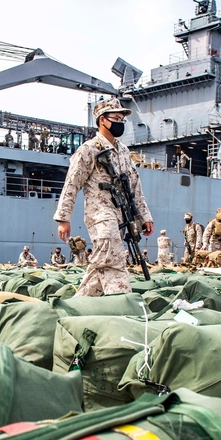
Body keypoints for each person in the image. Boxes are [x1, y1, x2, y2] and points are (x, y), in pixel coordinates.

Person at [54, 97, 153, 296]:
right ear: (102, 120)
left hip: (121, 213)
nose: (119, 123)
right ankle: (122, 300)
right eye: (115, 118)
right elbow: (72, 183)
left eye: (122, 119)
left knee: (103, 261)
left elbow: (135, 186)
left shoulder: (124, 152)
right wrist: (64, 218)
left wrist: (144, 217)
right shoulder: (88, 150)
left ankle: (78, 303)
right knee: (113, 255)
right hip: (100, 214)